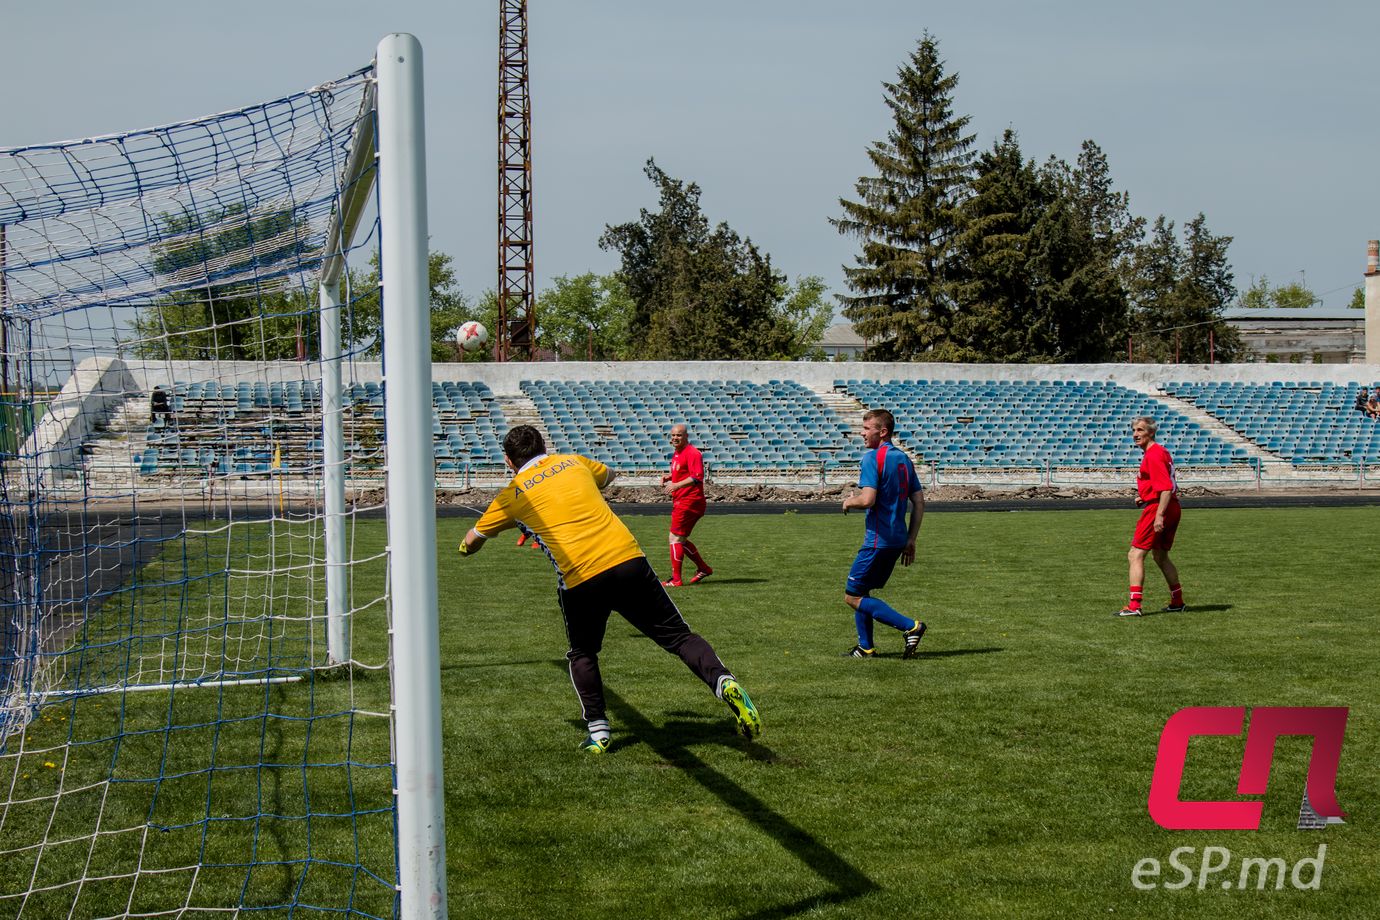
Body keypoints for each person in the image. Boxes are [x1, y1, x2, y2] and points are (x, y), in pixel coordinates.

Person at [457, 425, 761, 753]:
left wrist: (477, 540)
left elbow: (470, 543)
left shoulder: (512, 496)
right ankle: (723, 681)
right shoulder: (573, 462)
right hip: (627, 559)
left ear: (508, 460)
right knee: (679, 637)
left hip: (581, 577)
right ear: (545, 446)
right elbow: (609, 475)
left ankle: (599, 731)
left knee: (583, 652)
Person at [840, 409, 927, 659]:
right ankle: (865, 647)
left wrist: (849, 501)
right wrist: (911, 539)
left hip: (878, 541)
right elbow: (919, 502)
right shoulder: (903, 459)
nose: (862, 433)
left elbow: (868, 500)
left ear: (883, 432)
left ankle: (911, 626)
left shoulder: (872, 458)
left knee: (852, 595)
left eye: (867, 428)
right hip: (898, 539)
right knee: (863, 591)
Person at [1119, 416, 1186, 616]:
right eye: (1134, 430)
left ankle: (1135, 606)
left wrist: (1158, 515)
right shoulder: (1161, 452)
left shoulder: (1153, 455)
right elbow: (1165, 486)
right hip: (1171, 505)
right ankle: (1177, 601)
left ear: (1151, 432)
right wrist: (1145, 495)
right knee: (1161, 556)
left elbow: (1165, 489)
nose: (1135, 434)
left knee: (1135, 554)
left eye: (1140, 430)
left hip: (1160, 507)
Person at [661, 423, 712, 587]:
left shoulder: (693, 453)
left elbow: (697, 477)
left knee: (674, 539)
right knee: (679, 539)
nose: (675, 438)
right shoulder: (678, 452)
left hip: (689, 502)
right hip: (682, 500)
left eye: (679, 435)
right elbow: (684, 472)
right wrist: (670, 477)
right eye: (673, 435)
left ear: (686, 436)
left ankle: (676, 580)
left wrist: (676, 485)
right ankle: (703, 568)